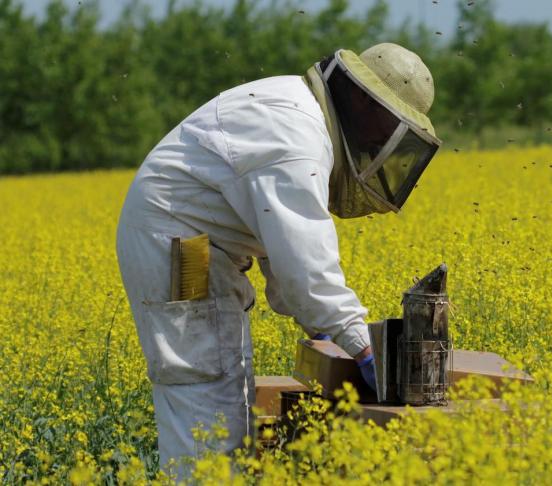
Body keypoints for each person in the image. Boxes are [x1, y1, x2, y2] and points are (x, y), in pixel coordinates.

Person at [115, 42, 440, 478]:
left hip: (189, 239)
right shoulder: (296, 136)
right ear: (363, 98)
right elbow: (305, 265)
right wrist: (361, 345)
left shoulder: (297, 114)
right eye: (390, 122)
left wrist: (326, 328)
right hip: (181, 246)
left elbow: (280, 254)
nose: (385, 140)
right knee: (206, 389)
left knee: (224, 385)